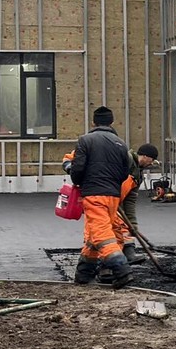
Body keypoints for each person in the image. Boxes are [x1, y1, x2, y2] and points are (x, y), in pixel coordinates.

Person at [64, 106, 133, 288]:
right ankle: (84, 274)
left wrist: (77, 179)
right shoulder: (120, 143)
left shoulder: (85, 140)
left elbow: (78, 168)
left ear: (93, 122)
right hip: (113, 196)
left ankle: (122, 270)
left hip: (94, 194)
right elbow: (125, 172)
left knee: (102, 235)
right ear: (111, 122)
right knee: (95, 234)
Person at [115, 143, 160, 264]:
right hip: (106, 200)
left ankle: (127, 256)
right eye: (152, 159)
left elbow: (130, 199)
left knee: (125, 227)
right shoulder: (126, 161)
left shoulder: (138, 174)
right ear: (145, 156)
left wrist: (132, 223)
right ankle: (109, 264)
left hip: (117, 203)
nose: (152, 163)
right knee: (112, 230)